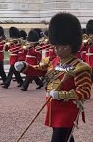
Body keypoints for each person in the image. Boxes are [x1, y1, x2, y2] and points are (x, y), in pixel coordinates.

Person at [15, 12, 92, 142]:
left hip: (67, 111)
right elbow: (39, 71)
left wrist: (61, 95)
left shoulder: (80, 67)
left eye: (60, 46)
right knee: (66, 138)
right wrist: (24, 66)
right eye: (55, 45)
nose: (55, 48)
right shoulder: (53, 61)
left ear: (69, 46)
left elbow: (84, 93)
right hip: (53, 109)